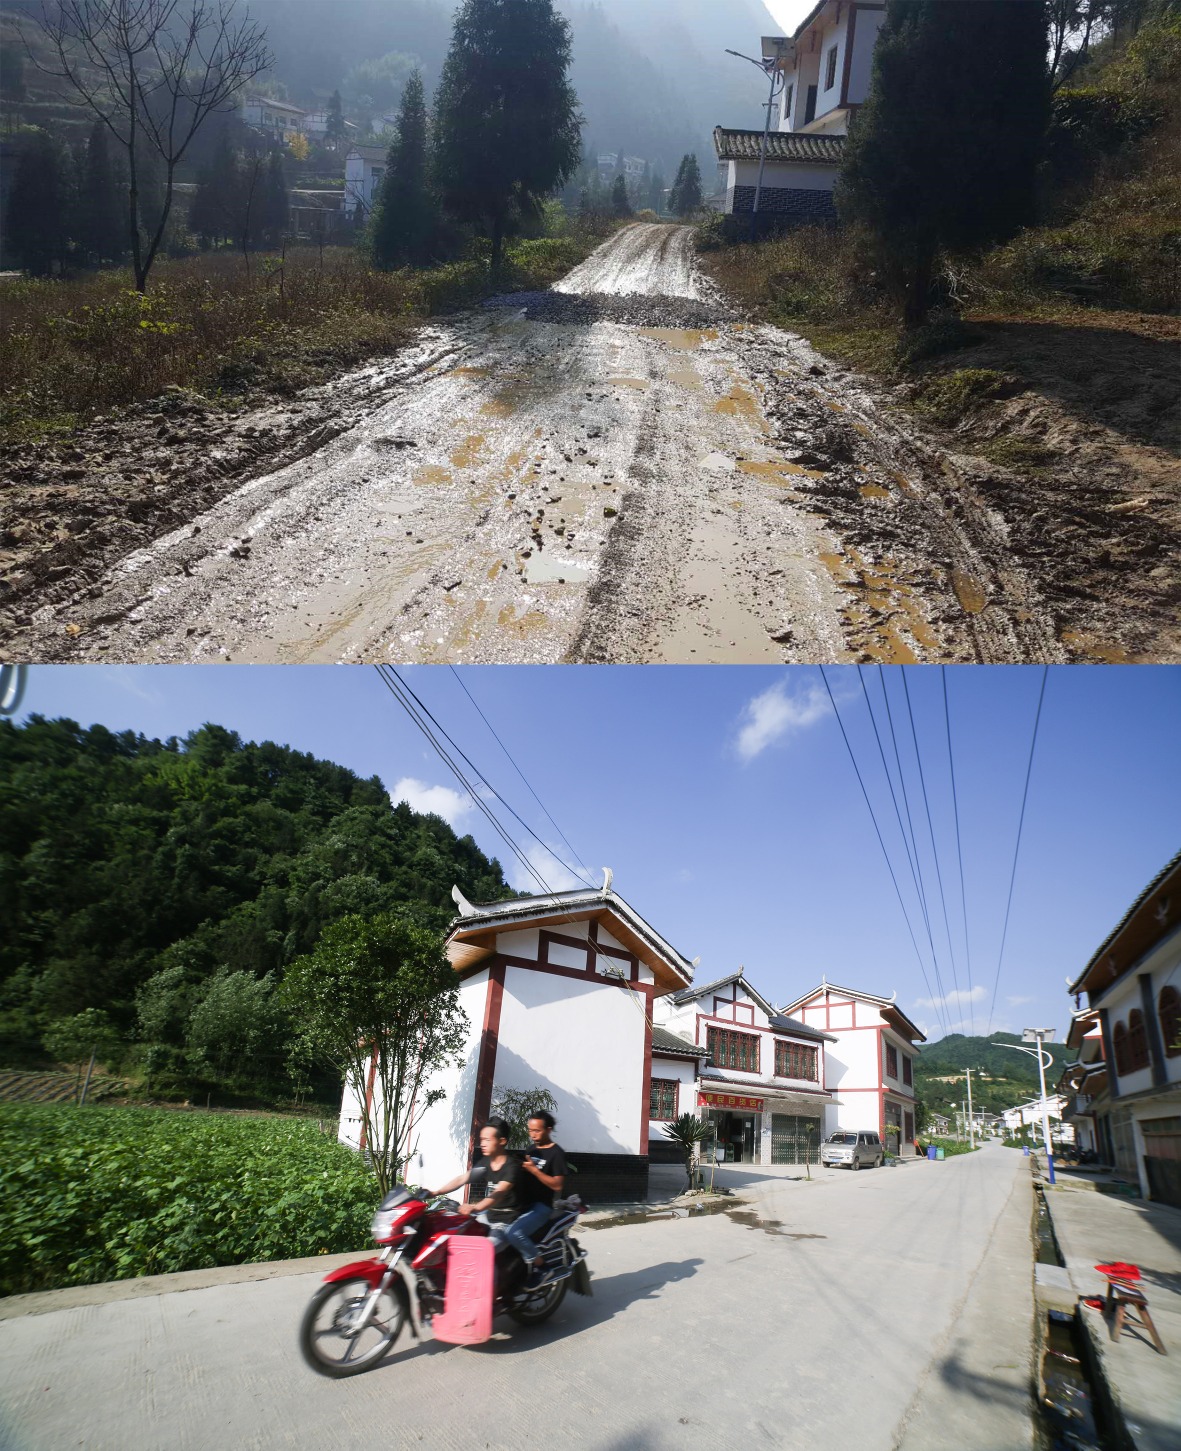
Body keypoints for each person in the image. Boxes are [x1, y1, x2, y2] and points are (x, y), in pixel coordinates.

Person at [430, 1117, 548, 1275]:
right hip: (488, 1216)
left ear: (502, 1141)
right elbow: (463, 1178)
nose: (482, 1143)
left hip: (506, 1222)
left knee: (481, 1252)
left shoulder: (511, 1167)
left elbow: (498, 1194)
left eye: (487, 1139)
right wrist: (435, 1192)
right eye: (481, 1139)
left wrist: (474, 1207)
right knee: (455, 1237)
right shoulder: (487, 1163)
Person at [519, 1110, 568, 1285]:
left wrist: (534, 1171)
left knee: (516, 1233)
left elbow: (557, 1185)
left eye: (537, 1131)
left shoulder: (556, 1153)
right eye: (530, 1130)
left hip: (542, 1206)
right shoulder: (531, 1149)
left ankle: (542, 1268)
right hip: (525, 1203)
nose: (533, 1135)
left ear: (548, 1130)